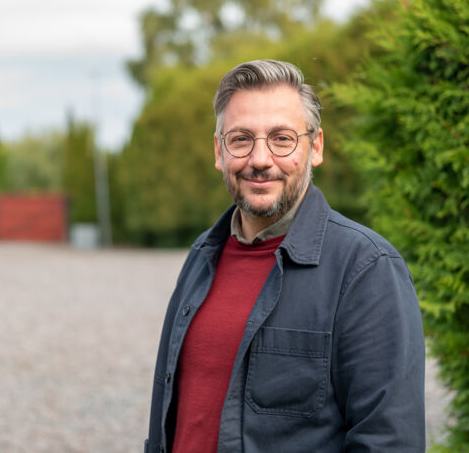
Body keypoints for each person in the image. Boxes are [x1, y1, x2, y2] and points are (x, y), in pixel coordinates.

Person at [144, 59, 425, 452]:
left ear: (316, 147)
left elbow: (388, 442)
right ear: (219, 151)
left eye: (281, 138)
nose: (260, 160)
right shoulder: (202, 257)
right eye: (241, 139)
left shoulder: (366, 270)